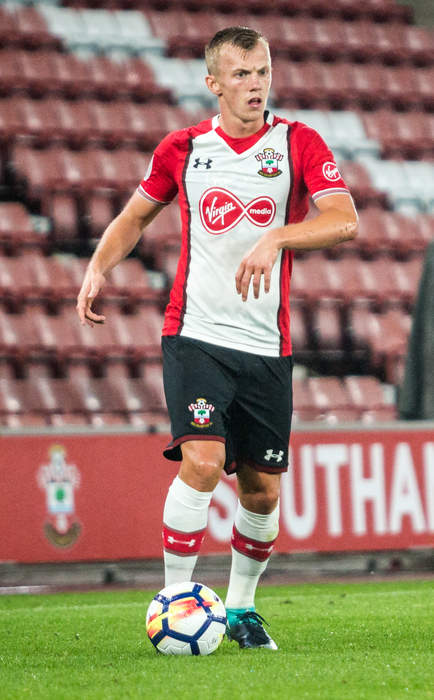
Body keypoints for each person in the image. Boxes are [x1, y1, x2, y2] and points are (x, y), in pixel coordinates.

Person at [77, 26, 358, 650]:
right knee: (202, 462)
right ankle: (176, 596)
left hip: (266, 346)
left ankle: (240, 608)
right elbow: (135, 216)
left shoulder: (297, 142)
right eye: (240, 74)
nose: (255, 84)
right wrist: (99, 266)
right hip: (195, 334)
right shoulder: (183, 148)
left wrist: (278, 236)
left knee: (261, 490)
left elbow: (344, 219)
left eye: (262, 71)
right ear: (213, 83)